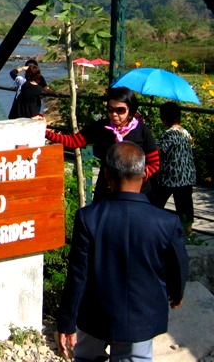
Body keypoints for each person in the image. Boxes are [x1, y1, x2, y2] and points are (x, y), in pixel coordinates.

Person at [56, 141, 189, 362]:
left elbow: (78, 275)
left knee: (86, 357)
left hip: (94, 314)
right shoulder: (167, 222)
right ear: (144, 174)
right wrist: (176, 293)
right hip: (141, 318)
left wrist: (67, 321)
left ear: (107, 175)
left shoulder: (88, 218)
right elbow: (179, 265)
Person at [45, 86, 160, 202]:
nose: (114, 114)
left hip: (137, 193)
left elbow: (154, 163)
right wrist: (44, 132)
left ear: (130, 110)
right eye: (110, 109)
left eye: (120, 110)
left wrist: (138, 177)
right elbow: (73, 141)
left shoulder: (143, 131)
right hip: (106, 190)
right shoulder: (101, 127)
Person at [151, 101, 196, 233]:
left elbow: (158, 152)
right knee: (185, 204)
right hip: (186, 175)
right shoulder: (185, 132)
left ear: (164, 118)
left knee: (157, 201)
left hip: (171, 175)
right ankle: (187, 229)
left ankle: (152, 224)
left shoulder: (169, 134)